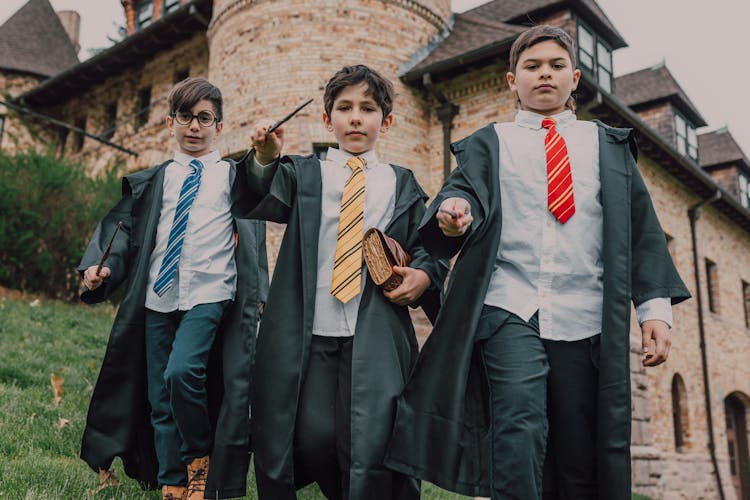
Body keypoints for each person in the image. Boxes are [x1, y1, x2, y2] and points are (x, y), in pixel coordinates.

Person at [384, 25, 690, 500]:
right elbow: (460, 196)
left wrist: (654, 311)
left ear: (576, 78)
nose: (543, 74)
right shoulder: (491, 144)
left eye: (555, 66)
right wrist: (453, 217)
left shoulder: (607, 146)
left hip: (585, 313)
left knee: (577, 442)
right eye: (531, 66)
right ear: (512, 81)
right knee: (518, 422)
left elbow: (642, 231)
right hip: (510, 305)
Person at [231, 64, 448, 500]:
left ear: (385, 122)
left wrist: (422, 276)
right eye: (344, 108)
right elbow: (257, 195)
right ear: (327, 118)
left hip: (375, 334)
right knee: (312, 436)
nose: (355, 118)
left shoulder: (399, 183)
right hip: (308, 332)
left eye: (367, 109)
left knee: (369, 442)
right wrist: (264, 158)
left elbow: (426, 247)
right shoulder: (304, 173)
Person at [78, 77, 268, 500]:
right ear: (170, 122)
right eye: (186, 117)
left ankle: (199, 459)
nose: (194, 127)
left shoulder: (233, 178)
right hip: (157, 296)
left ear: (219, 126)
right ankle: (172, 480)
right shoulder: (155, 180)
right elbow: (122, 233)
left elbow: (259, 212)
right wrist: (101, 267)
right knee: (159, 392)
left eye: (205, 118)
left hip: (209, 293)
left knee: (183, 372)